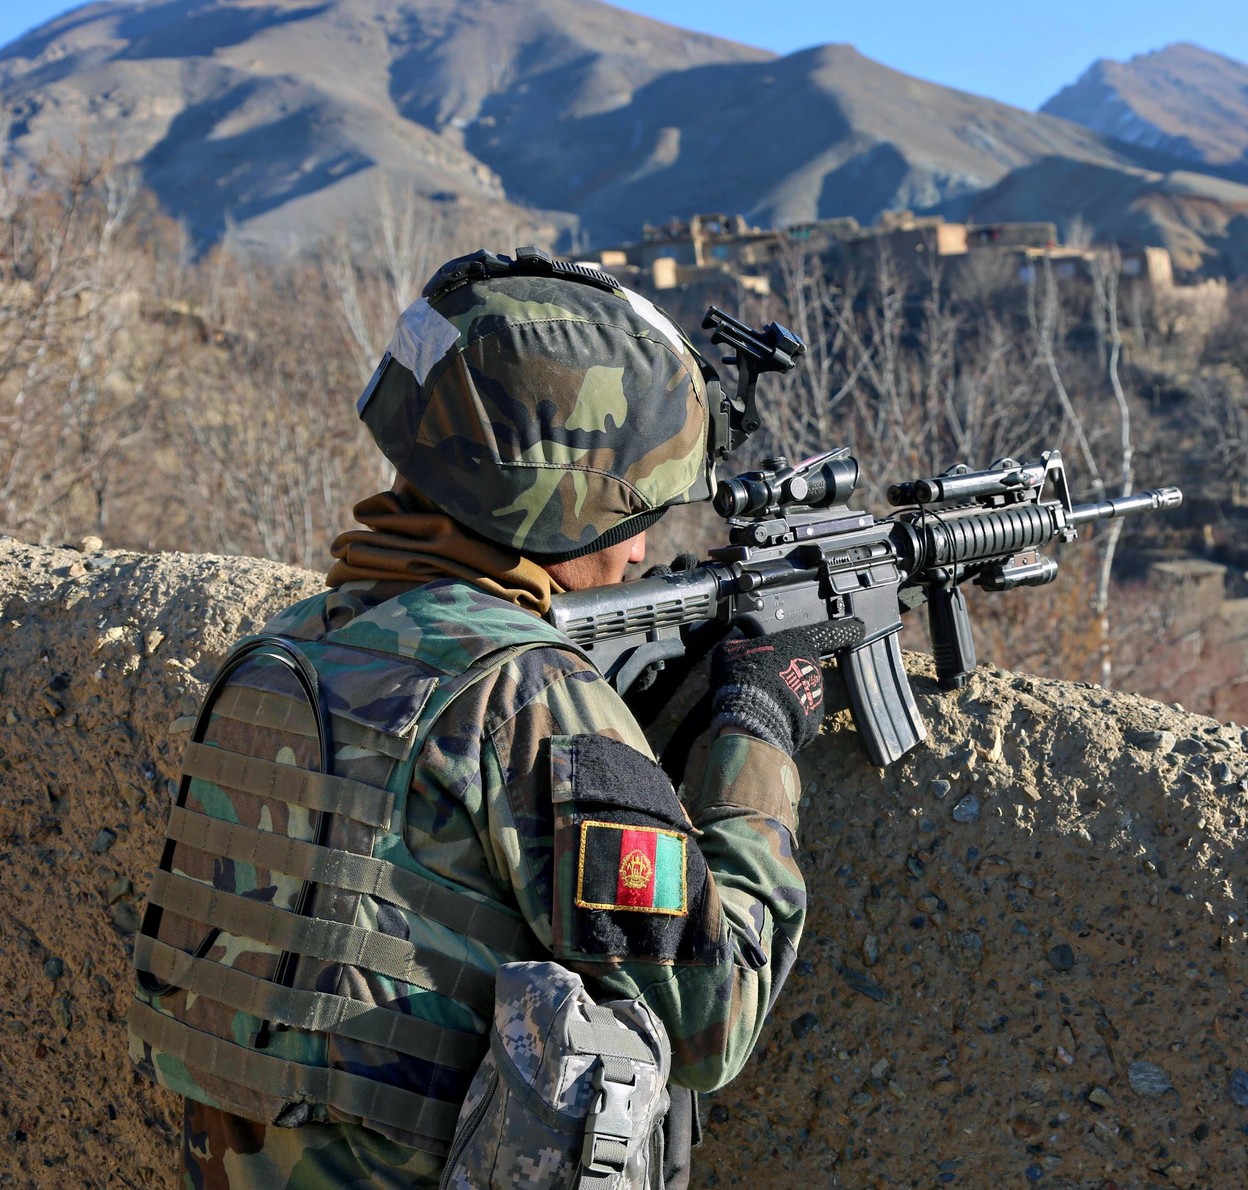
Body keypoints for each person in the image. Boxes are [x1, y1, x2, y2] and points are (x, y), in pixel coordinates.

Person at [128, 248, 850, 1187]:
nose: (640, 550)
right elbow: (713, 1013)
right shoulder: (524, 695)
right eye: (629, 507)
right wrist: (755, 728)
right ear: (553, 498)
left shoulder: (299, 642)